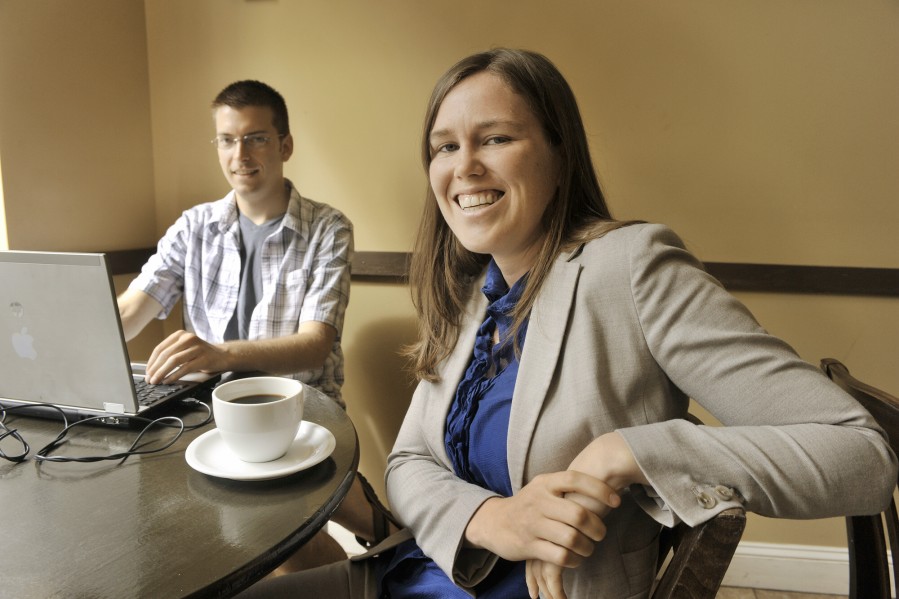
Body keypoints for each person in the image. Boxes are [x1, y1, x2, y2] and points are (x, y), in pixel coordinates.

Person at [236, 49, 897, 599]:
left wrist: (631, 452)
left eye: (494, 138)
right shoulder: (473, 288)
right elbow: (409, 462)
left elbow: (862, 456)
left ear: (557, 155)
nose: (463, 166)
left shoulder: (630, 267)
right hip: (423, 568)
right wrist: (491, 517)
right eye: (444, 146)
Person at [118, 80, 396, 571]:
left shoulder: (328, 228)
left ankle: (376, 543)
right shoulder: (194, 226)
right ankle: (374, 528)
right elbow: (131, 311)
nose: (239, 153)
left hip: (301, 409)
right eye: (227, 139)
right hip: (206, 413)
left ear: (284, 145)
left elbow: (314, 346)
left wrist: (221, 355)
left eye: (256, 138)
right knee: (185, 536)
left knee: (281, 544)